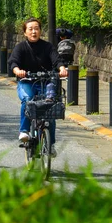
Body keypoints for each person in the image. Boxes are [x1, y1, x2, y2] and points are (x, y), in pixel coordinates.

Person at [8, 17, 67, 156]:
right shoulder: (20, 47)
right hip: (27, 81)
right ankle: (24, 131)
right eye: (30, 29)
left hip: (45, 81)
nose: (34, 32)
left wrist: (62, 69)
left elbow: (56, 60)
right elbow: (13, 62)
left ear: (40, 31)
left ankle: (50, 144)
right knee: (27, 100)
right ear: (25, 32)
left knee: (50, 107)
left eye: (36, 28)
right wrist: (17, 70)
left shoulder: (47, 46)